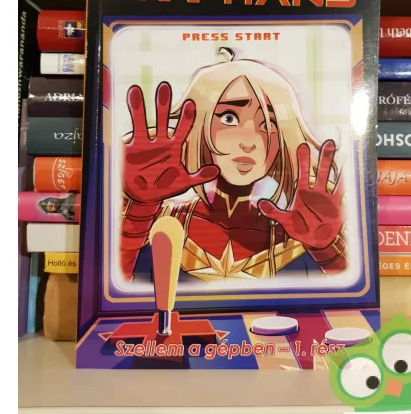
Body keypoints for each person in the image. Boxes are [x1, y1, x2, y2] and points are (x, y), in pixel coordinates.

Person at [119, 48, 347, 282]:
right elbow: (115, 289)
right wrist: (140, 210)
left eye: (268, 123)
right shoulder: (164, 222)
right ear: (198, 123)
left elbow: (351, 297)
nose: (248, 142)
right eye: (229, 118)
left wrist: (327, 250)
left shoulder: (299, 231)